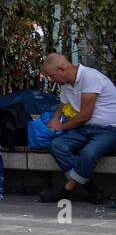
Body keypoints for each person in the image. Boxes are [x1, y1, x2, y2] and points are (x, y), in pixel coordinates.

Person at [38, 53, 116, 204]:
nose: (51, 80)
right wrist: (53, 121)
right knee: (56, 145)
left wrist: (61, 126)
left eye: (51, 76)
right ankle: (91, 188)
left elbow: (85, 115)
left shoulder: (89, 77)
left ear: (61, 69)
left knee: (88, 154)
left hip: (108, 129)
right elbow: (62, 106)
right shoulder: (66, 84)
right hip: (85, 129)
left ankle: (66, 191)